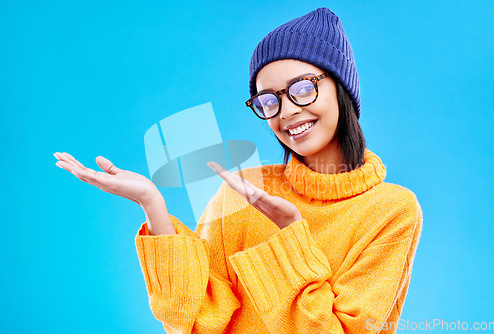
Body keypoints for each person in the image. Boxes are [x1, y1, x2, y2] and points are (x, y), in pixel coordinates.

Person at [54, 7, 423, 334]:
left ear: (341, 87)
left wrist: (291, 234)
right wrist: (152, 205)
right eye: (269, 100)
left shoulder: (393, 210)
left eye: (301, 88)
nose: (287, 110)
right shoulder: (245, 188)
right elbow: (195, 320)